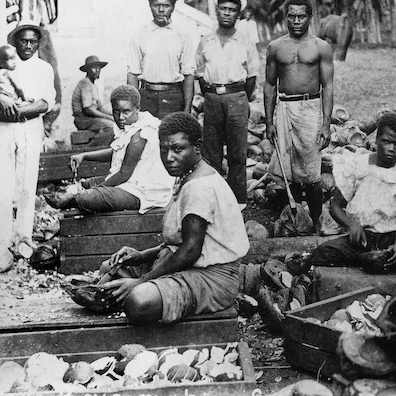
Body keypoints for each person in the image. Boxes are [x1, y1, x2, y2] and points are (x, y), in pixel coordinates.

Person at [99, 112, 250, 324]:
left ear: (197, 147)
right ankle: (137, 286)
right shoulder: (188, 175)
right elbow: (181, 242)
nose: (169, 157)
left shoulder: (199, 187)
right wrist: (142, 256)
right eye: (164, 149)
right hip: (192, 265)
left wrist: (140, 281)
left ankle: (141, 289)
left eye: (178, 149)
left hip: (213, 278)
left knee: (138, 301)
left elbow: (190, 250)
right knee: (109, 268)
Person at [309, 113, 396, 274]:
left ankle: (382, 260)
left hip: (395, 234)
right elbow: (336, 207)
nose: (391, 149)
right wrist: (351, 224)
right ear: (376, 140)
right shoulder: (357, 165)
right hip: (364, 236)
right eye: (386, 142)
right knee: (322, 253)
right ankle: (370, 260)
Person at [0, 22, 55, 253]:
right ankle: (2, 239)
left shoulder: (44, 68)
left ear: (38, 43)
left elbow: (45, 102)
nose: (28, 45)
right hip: (3, 128)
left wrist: (18, 109)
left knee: (27, 182)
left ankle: (23, 238)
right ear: (15, 42)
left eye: (33, 41)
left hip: (29, 127)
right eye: (23, 41)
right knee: (3, 182)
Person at [45, 85, 173, 214]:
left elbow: (124, 174)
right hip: (133, 180)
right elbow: (118, 151)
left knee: (88, 197)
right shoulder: (131, 124)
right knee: (90, 182)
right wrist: (84, 156)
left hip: (144, 191)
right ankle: (75, 192)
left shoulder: (140, 133)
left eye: (126, 112)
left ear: (137, 109)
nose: (121, 117)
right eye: (116, 112)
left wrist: (95, 190)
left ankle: (73, 199)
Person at [264, 0, 334, 229]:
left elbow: (328, 86)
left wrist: (326, 123)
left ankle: (316, 222)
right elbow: (269, 85)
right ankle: (294, 222)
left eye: (301, 17)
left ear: (310, 18)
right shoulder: (275, 47)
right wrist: (269, 121)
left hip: (310, 108)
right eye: (291, 16)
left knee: (312, 171)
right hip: (284, 107)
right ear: (285, 17)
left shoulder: (321, 47)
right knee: (288, 170)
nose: (296, 21)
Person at [195, 0, 259, 207]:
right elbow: (200, 73)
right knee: (211, 152)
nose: (227, 13)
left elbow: (252, 77)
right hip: (212, 98)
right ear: (217, 11)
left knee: (237, 151)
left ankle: (238, 200)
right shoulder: (205, 41)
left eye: (232, 10)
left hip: (236, 98)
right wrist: (212, 95)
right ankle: (213, 199)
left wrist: (238, 96)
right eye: (223, 8)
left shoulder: (245, 42)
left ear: (238, 15)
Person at [127, 0, 195, 118]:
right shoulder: (140, 34)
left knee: (172, 137)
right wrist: (134, 106)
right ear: (150, 6)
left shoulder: (182, 35)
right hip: (146, 96)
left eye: (166, 5)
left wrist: (187, 109)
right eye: (156, 5)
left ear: (173, 7)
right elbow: (132, 74)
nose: (161, 10)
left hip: (173, 97)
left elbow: (189, 75)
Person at [71, 55, 114, 147]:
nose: (97, 70)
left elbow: (100, 107)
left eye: (99, 68)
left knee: (114, 123)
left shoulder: (93, 86)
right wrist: (109, 118)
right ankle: (91, 148)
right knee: (110, 126)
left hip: (90, 119)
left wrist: (114, 115)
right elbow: (88, 109)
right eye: (94, 67)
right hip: (83, 119)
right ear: (87, 70)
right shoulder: (85, 83)